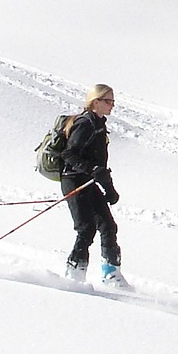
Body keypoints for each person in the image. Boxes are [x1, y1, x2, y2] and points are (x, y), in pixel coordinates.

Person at [61, 83, 125, 286]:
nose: (112, 105)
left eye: (113, 101)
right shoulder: (85, 123)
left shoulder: (98, 124)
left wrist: (110, 190)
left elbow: (100, 166)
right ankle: (74, 273)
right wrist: (91, 169)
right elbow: (68, 154)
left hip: (89, 182)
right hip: (73, 180)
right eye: (108, 101)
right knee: (86, 228)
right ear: (95, 101)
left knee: (108, 226)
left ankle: (111, 274)